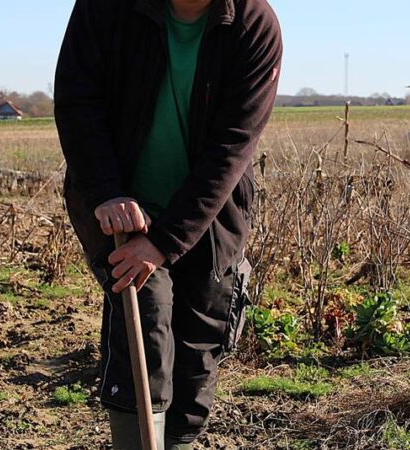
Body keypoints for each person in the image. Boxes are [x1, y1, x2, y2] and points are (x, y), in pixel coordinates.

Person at [54, 0, 282, 447]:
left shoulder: (255, 25)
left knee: (198, 350)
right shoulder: (105, 9)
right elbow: (78, 101)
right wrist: (105, 191)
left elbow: (232, 147)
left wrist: (166, 239)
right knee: (145, 325)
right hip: (120, 212)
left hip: (208, 216)